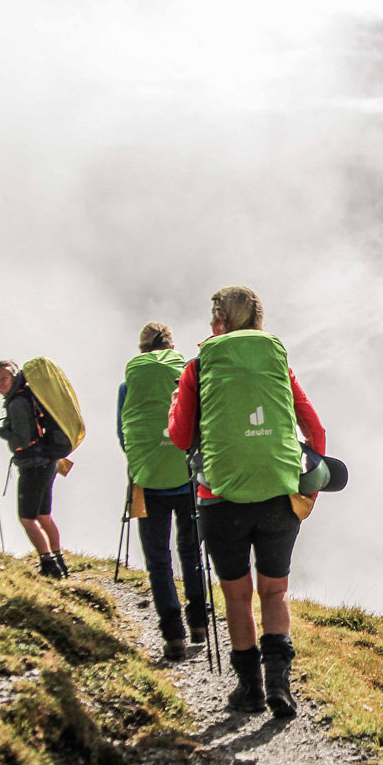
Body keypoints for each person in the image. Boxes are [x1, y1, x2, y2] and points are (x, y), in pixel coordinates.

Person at [169, 286, 325, 717]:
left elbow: (181, 437)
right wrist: (306, 489)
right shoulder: (277, 362)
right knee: (275, 593)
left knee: (237, 596)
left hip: (220, 500)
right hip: (279, 495)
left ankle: (250, 690)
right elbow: (315, 428)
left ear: (220, 321)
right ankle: (281, 687)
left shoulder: (199, 368)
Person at [120, 323, 211, 661]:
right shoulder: (186, 378)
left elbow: (123, 431)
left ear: (141, 350)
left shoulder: (128, 385)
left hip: (148, 479)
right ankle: (199, 622)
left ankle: (173, 634)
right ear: (172, 348)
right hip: (187, 475)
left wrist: (140, 462)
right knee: (190, 551)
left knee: (158, 558)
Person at [0, 360, 71, 578]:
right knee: (43, 515)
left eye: (3, 378)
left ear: (13, 377)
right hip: (47, 461)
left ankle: (49, 565)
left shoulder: (17, 403)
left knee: (27, 518)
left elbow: (21, 440)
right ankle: (59, 560)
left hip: (33, 465)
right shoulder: (26, 395)